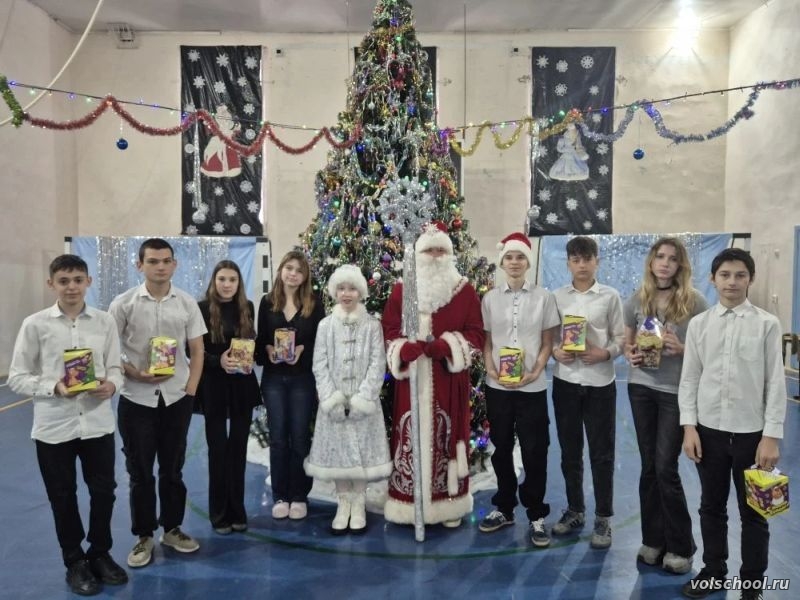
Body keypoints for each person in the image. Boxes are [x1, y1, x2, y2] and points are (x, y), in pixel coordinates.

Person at [8, 255, 128, 596]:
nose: (71, 287)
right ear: (51, 284)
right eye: (64, 281)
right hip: (53, 427)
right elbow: (16, 377)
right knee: (62, 496)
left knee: (104, 492)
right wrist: (54, 387)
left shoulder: (104, 322)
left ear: (88, 281)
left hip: (97, 425)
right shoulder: (35, 325)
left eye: (77, 279)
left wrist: (112, 385)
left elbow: (115, 368)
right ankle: (74, 560)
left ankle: (100, 553)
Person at [678, 248, 786, 600]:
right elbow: (690, 379)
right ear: (713, 279)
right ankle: (714, 571)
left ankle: (752, 584)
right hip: (708, 431)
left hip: (752, 436)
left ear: (751, 279)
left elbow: (775, 383)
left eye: (740, 275)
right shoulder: (699, 325)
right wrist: (689, 427)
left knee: (755, 512)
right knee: (711, 506)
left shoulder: (767, 324)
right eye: (725, 275)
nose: (732, 282)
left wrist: (771, 436)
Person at [108, 238, 206, 569]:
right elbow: (109, 350)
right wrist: (132, 371)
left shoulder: (187, 303)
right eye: (152, 261)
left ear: (174, 264)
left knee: (172, 468)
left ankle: (172, 529)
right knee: (140, 471)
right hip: (136, 399)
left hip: (176, 398)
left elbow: (197, 349)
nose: (160, 266)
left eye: (166, 261)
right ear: (140, 265)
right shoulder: (123, 304)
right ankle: (144, 535)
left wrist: (190, 389)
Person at [382, 222, 485, 527]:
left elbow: (476, 335)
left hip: (448, 381)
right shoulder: (402, 290)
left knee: (448, 436)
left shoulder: (464, 291)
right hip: (411, 381)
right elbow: (389, 330)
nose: (436, 255)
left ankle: (448, 506)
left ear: (450, 253)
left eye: (441, 249)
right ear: (418, 254)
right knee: (409, 437)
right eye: (429, 250)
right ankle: (407, 503)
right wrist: (402, 349)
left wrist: (448, 346)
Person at [623, 238, 708, 574]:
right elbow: (627, 342)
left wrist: (683, 348)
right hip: (641, 388)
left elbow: (708, 350)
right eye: (660, 256)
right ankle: (653, 540)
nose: (665, 263)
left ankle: (681, 547)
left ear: (680, 265)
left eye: (673, 259)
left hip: (675, 392)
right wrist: (630, 353)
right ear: (651, 261)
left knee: (665, 468)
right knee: (648, 468)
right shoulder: (638, 298)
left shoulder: (696, 302)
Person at [479, 233, 560, 547]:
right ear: (502, 263)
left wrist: (536, 371)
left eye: (520, 257)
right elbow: (487, 342)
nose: (514, 262)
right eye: (509, 257)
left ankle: (536, 513)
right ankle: (504, 507)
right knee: (500, 448)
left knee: (535, 449)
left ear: (528, 261)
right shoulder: (490, 299)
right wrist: (490, 368)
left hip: (531, 387)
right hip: (498, 386)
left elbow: (548, 341)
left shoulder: (543, 297)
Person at [304, 264, 392, 534]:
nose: (346, 293)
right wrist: (330, 397)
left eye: (352, 288)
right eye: (341, 288)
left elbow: (378, 363)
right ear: (334, 291)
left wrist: (364, 398)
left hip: (364, 405)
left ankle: (359, 502)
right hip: (334, 404)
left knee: (362, 452)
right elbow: (319, 363)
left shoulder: (372, 326)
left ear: (361, 292)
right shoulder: (325, 325)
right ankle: (343, 503)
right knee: (339, 453)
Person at [551, 236, 624, 549]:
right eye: (576, 259)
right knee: (570, 452)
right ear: (568, 263)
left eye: (587, 259)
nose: (581, 265)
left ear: (597, 261)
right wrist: (556, 352)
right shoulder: (556, 297)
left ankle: (603, 517)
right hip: (566, 382)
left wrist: (605, 353)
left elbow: (620, 338)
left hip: (600, 384)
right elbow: (551, 337)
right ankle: (575, 510)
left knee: (602, 454)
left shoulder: (610, 296)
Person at [255, 250, 325, 520]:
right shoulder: (267, 302)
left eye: (299, 270)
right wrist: (268, 350)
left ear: (305, 276)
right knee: (277, 437)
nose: (293, 274)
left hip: (302, 379)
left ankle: (299, 495)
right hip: (273, 378)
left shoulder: (314, 303)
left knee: (299, 437)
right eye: (289, 268)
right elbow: (261, 341)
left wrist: (303, 350)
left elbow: (321, 343)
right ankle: (280, 495)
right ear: (281, 270)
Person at [197, 260, 261, 535]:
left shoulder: (247, 307)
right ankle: (219, 513)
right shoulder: (201, 309)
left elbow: (250, 344)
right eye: (222, 279)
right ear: (214, 281)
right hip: (213, 385)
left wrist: (252, 354)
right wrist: (217, 360)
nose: (227, 284)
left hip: (241, 385)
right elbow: (193, 350)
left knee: (238, 449)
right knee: (217, 450)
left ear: (239, 283)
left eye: (232, 280)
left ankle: (237, 510)